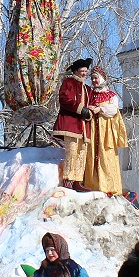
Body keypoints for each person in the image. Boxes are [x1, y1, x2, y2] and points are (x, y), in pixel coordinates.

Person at [2, 0, 63, 115]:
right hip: (28, 15)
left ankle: (39, 93)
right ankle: (25, 94)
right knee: (24, 51)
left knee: (45, 52)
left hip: (44, 15)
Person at [82, 66, 128, 194]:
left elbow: (114, 109)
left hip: (105, 132)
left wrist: (100, 109)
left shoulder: (110, 95)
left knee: (106, 156)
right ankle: (92, 184)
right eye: (92, 78)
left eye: (96, 78)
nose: (94, 81)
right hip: (91, 131)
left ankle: (109, 186)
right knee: (91, 156)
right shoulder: (89, 94)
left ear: (102, 78)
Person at [54, 57, 92, 191]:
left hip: (84, 127)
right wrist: (80, 109)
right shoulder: (68, 82)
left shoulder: (87, 89)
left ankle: (77, 180)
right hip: (71, 124)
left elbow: (92, 105)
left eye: (86, 71)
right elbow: (64, 99)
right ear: (76, 71)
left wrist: (89, 113)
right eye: (82, 71)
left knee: (82, 152)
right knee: (72, 151)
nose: (84, 74)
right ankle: (68, 180)